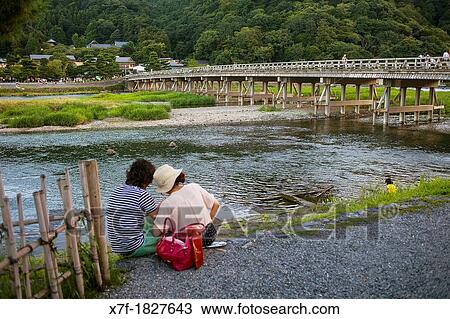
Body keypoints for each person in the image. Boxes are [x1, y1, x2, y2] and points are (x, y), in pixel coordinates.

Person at [152, 164, 220, 246]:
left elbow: (156, 233)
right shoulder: (194, 187)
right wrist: (208, 222)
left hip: (188, 242)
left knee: (166, 231)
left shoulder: (166, 203)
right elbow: (216, 204)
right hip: (210, 235)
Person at [106, 159, 160, 257]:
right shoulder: (142, 195)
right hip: (133, 247)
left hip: (117, 247)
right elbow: (159, 218)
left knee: (147, 219)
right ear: (146, 180)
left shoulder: (115, 191)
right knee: (165, 237)